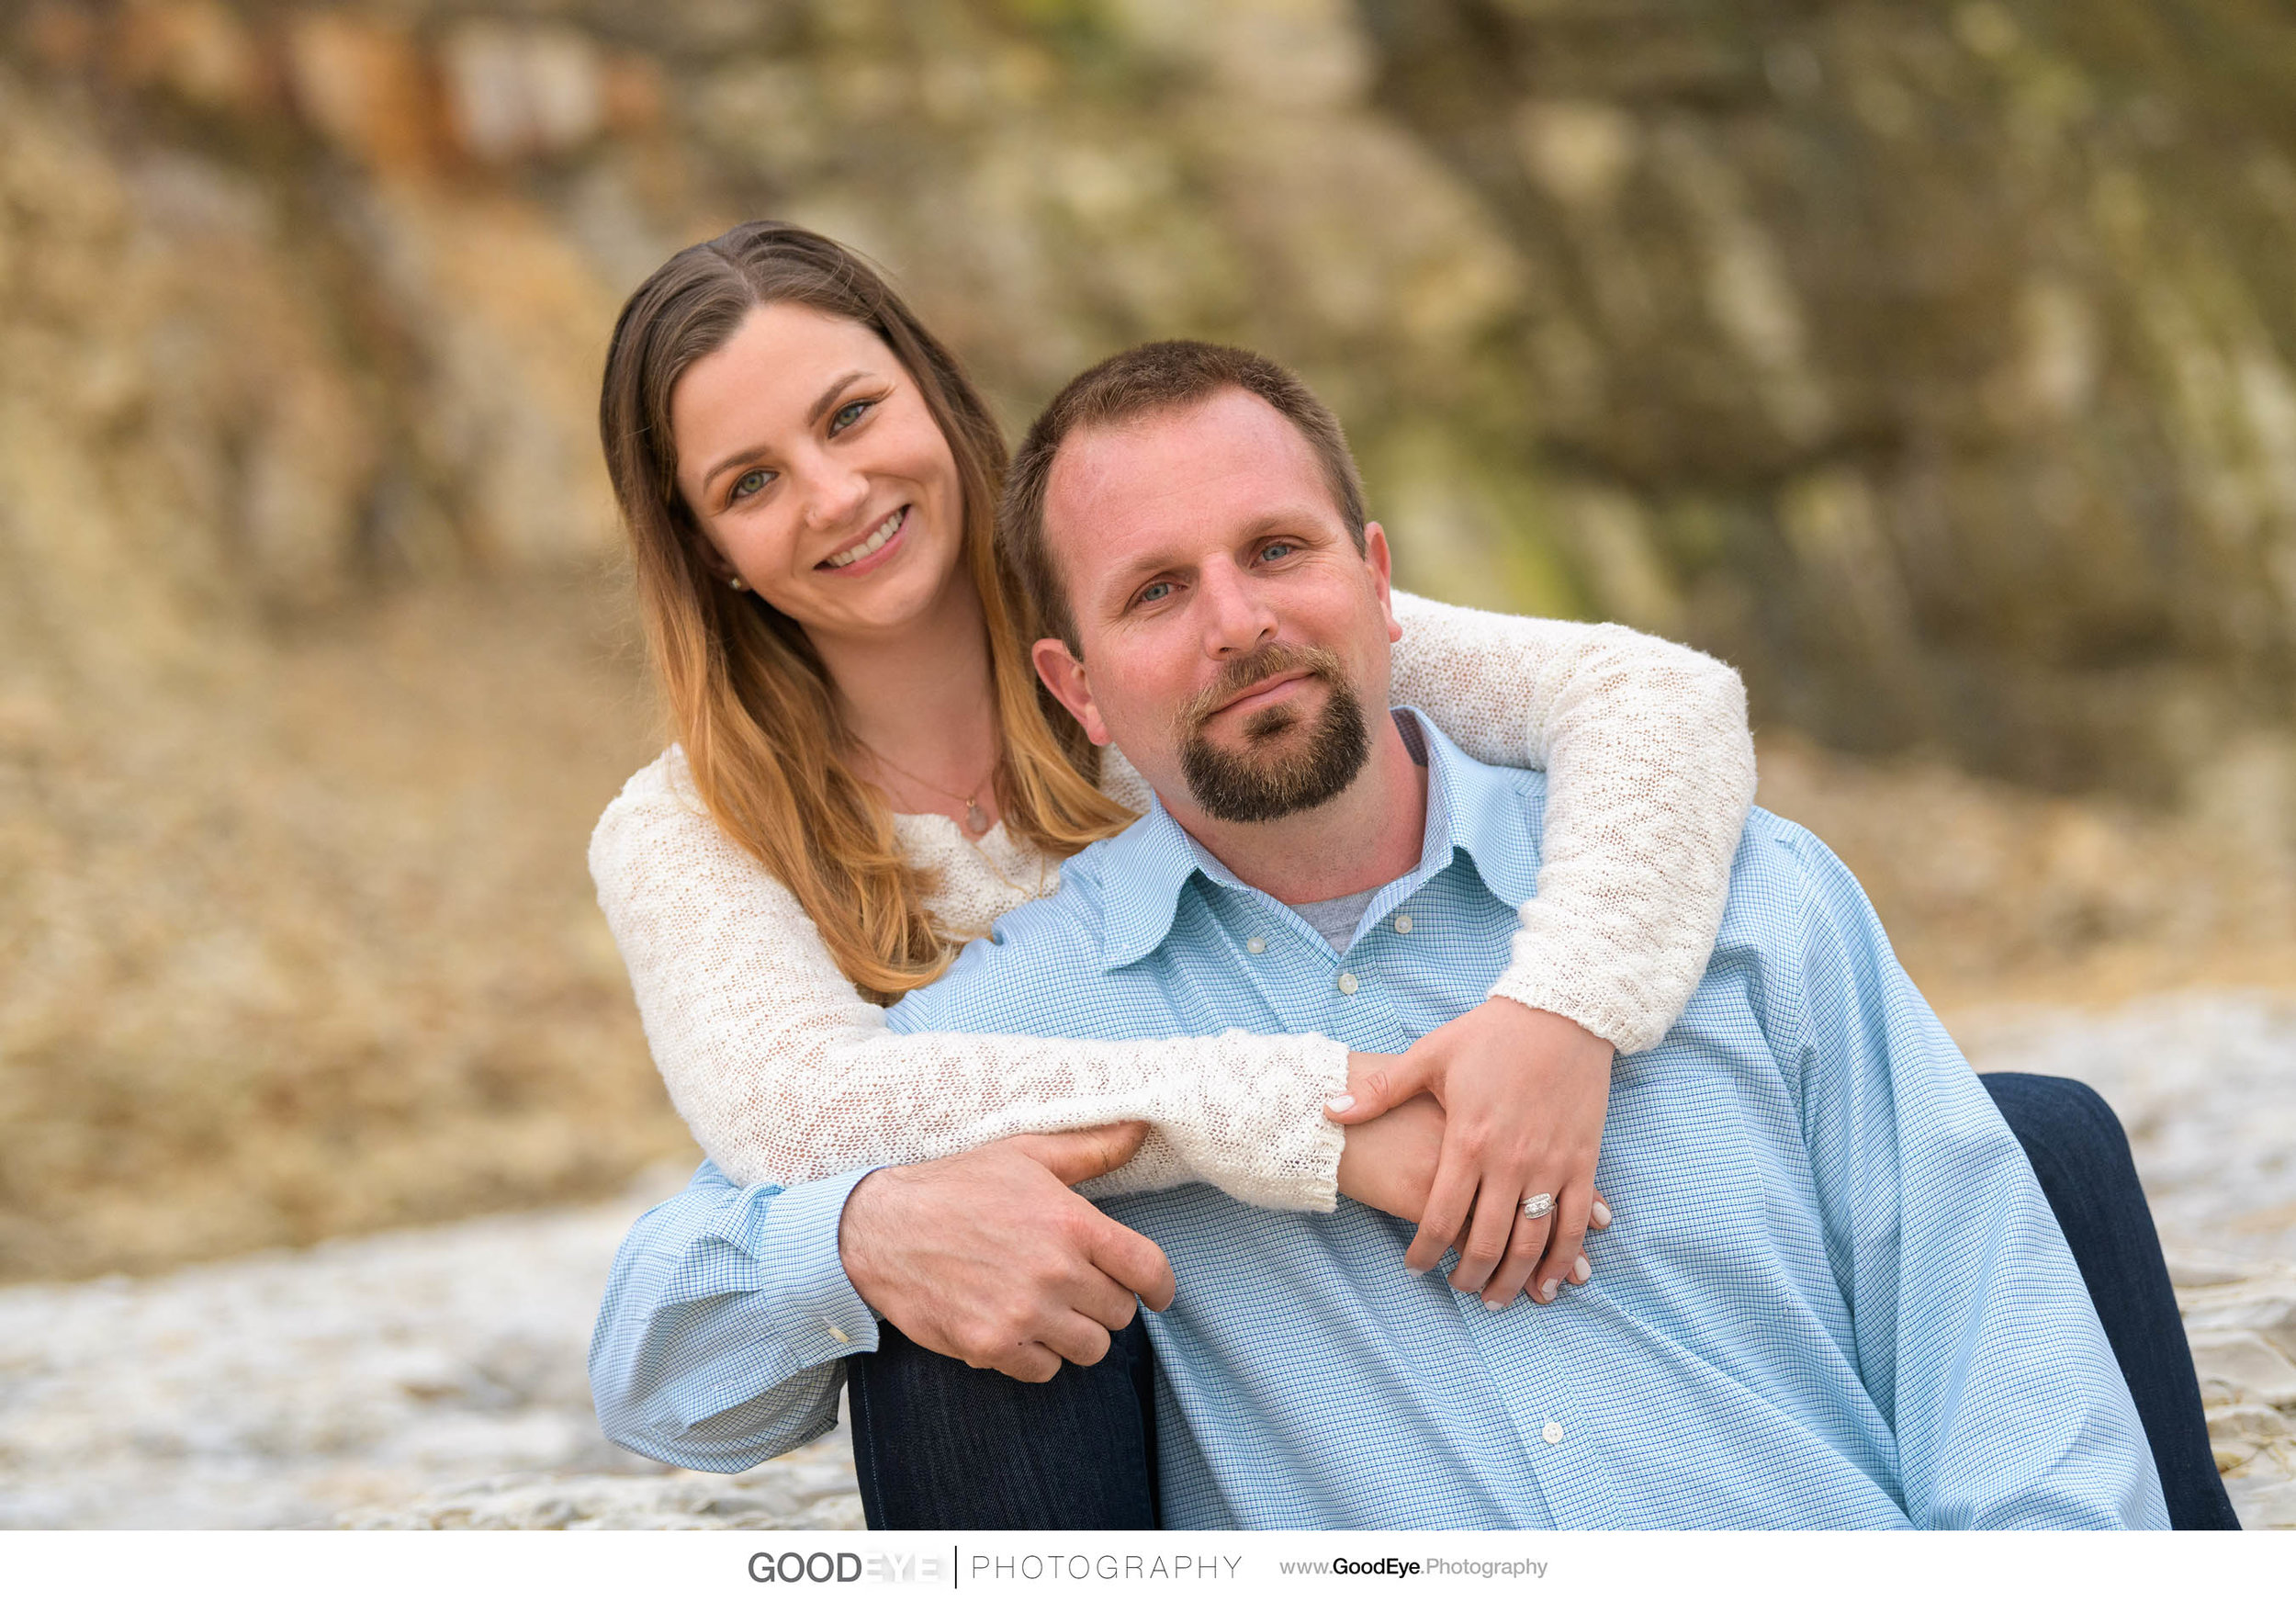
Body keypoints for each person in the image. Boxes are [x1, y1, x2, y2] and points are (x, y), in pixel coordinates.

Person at [586, 224, 2233, 1528]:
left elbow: (1647, 696)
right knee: (963, 1277)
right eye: (751, 481)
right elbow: (792, 1132)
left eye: (850, 415)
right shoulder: (705, 828)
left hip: (1474, 1029)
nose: (835, 494)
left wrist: (1561, 1008)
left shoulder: (1231, 615)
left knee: (2018, 1143)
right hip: (1142, 1273)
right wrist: (1310, 1126)